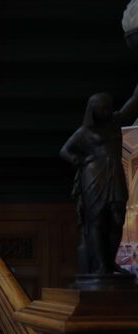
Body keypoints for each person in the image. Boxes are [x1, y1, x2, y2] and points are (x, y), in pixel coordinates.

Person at [60, 87, 138, 276]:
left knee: (117, 218)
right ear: (93, 111)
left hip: (115, 174)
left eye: (108, 108)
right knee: (97, 219)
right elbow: (65, 151)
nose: (106, 112)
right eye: (102, 109)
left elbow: (134, 100)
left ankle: (111, 262)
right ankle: (101, 265)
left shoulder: (115, 121)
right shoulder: (84, 132)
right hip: (94, 176)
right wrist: (81, 161)